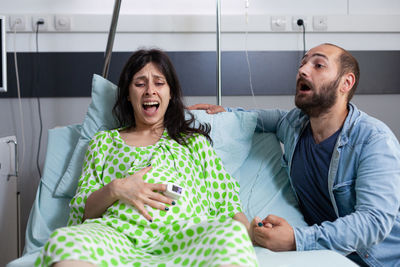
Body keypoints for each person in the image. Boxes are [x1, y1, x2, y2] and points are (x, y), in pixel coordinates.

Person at [35, 49, 258, 267]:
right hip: (117, 235)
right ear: (127, 95)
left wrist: (249, 236)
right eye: (140, 83)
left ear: (170, 94)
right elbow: (83, 211)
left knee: (231, 236)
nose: (150, 91)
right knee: (64, 242)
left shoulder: (193, 143)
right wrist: (117, 188)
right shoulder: (104, 142)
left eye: (159, 83)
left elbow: (227, 203)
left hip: (185, 237)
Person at [189, 43, 400, 266]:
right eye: (303, 63)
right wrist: (226, 113)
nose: (303, 70)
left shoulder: (373, 140)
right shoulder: (294, 125)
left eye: (318, 65)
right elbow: (262, 118)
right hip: (326, 256)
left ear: (345, 83)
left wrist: (296, 239)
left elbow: (374, 222)